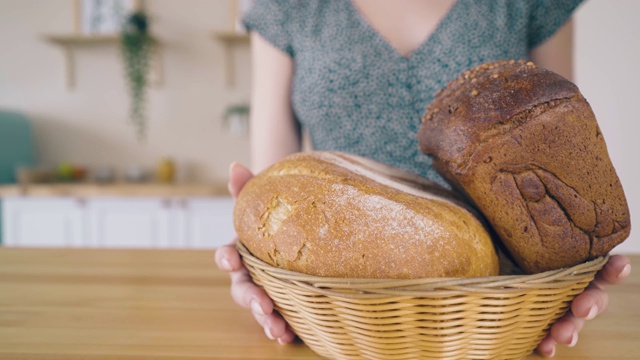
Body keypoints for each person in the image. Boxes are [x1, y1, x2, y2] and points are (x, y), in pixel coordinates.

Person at [215, 0, 632, 357]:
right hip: (344, 311)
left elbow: (563, 131)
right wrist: (257, 265)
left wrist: (575, 263)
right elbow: (272, 184)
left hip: (495, 307)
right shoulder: (289, 7)